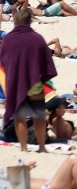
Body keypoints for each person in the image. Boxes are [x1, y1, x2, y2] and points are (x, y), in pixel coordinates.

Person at [0, 8, 58, 151]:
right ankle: (42, 147)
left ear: (15, 21)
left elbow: (2, 61)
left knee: (19, 117)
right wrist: (43, 77)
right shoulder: (37, 38)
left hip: (15, 83)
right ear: (29, 21)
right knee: (39, 115)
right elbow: (47, 62)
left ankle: (24, 148)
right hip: (34, 83)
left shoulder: (8, 39)